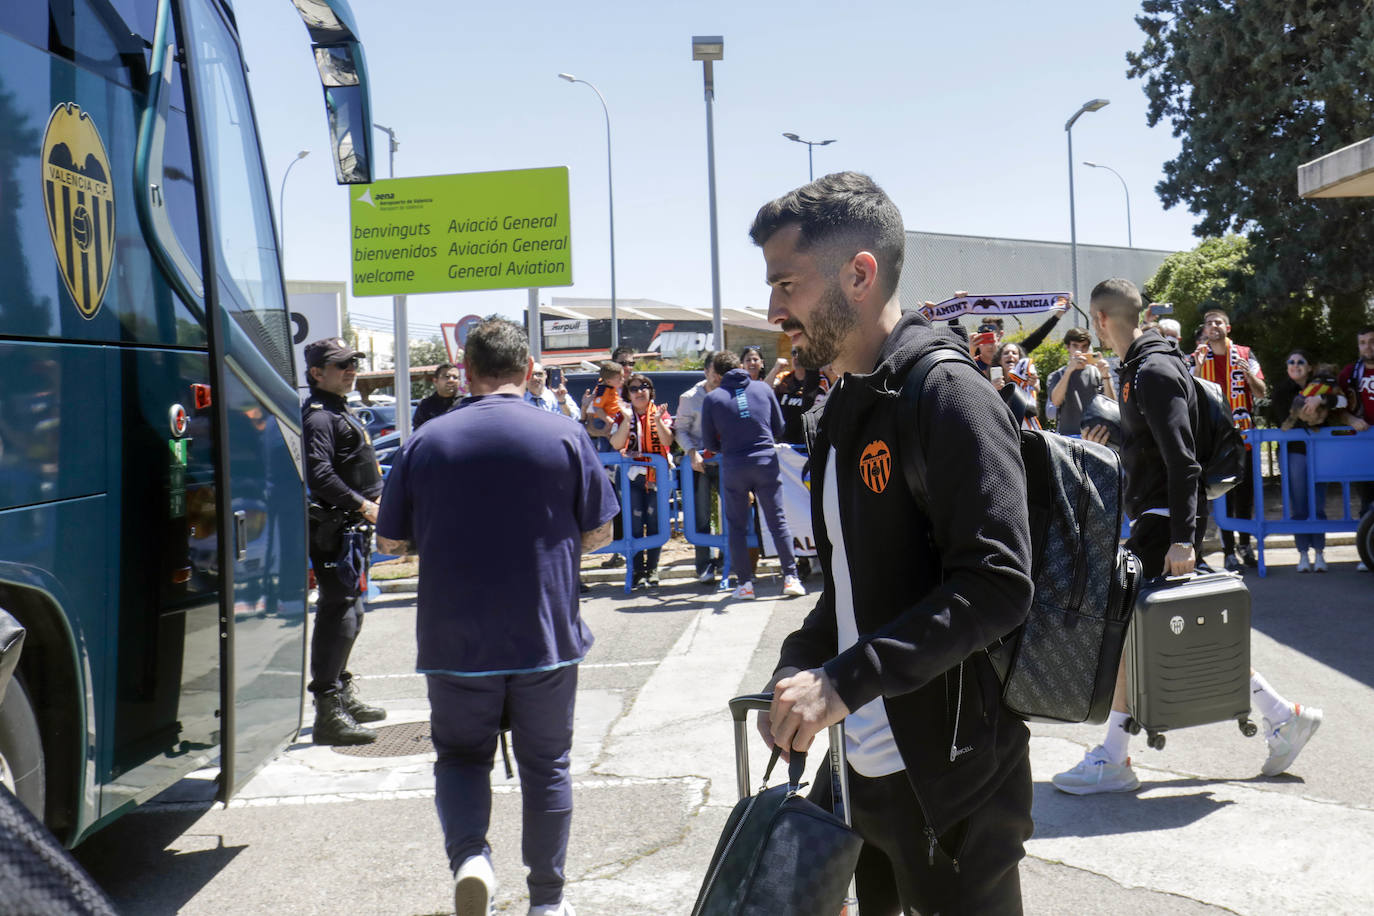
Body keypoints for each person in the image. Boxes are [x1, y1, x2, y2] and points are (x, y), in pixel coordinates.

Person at [750, 172, 1034, 914]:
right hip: (861, 785)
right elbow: (852, 591)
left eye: (788, 284)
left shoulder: (947, 395)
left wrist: (844, 682)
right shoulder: (842, 411)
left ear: (860, 274)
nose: (774, 309)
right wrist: (800, 669)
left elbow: (998, 584)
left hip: (956, 792)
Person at [376, 318, 617, 916]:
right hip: (545, 634)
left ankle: (472, 860)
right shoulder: (564, 435)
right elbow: (600, 534)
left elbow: (390, 545)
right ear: (529, 370)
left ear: (465, 372)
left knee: (460, 758)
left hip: (454, 637)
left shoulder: (424, 441)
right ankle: (546, 901)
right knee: (548, 766)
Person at [1053, 279, 1321, 795]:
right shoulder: (1141, 367)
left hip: (1162, 521)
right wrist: (1112, 435)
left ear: (1102, 319)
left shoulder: (1153, 370)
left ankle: (1114, 755)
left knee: (1128, 630)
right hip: (1157, 516)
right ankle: (1282, 716)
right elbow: (1155, 447)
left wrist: (1183, 538)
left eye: (1094, 324)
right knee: (1168, 629)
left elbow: (1183, 459)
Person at [301, 337, 388, 746]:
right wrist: (364, 505)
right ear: (317, 373)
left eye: (354, 363)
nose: (351, 369)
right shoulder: (318, 417)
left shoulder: (338, 408)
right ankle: (327, 712)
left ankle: (340, 691)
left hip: (350, 529)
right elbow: (319, 476)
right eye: (342, 365)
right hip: (334, 529)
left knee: (352, 611)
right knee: (339, 613)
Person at [701, 350, 806, 601]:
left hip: (734, 464)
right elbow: (779, 427)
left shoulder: (713, 398)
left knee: (737, 526)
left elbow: (708, 442)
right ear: (740, 365)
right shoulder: (762, 389)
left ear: (716, 373)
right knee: (777, 520)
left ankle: (745, 584)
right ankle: (790, 577)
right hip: (765, 460)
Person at [1270, 350, 1368, 572]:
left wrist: (1321, 399)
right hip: (1295, 452)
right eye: (1291, 362)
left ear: (1310, 367)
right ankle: (1303, 554)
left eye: (1300, 362)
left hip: (1320, 452)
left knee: (1318, 503)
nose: (1295, 365)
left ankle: (1321, 553)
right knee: (1300, 504)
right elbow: (1286, 422)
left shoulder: (1323, 385)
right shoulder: (1282, 390)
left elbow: (1341, 402)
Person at [1192, 308, 1267, 572]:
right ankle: (1227, 550)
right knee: (1220, 495)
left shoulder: (1245, 354)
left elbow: (1261, 391)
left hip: (1243, 436)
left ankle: (1245, 545)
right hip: (1213, 439)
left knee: (1244, 495)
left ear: (1228, 327)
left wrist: (1248, 376)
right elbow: (1189, 393)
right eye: (1209, 322)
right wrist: (1198, 366)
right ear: (1204, 329)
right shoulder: (1198, 356)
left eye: (1218, 322)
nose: (1213, 325)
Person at [608, 373, 674, 588]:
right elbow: (617, 444)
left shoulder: (660, 413)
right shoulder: (622, 415)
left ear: (650, 391)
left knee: (655, 522)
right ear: (628, 393)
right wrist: (627, 419)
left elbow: (668, 441)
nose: (639, 391)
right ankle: (637, 570)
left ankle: (652, 569)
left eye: (644, 386)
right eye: (634, 388)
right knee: (633, 523)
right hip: (630, 477)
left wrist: (656, 422)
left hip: (657, 477)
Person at [676, 354, 724, 582]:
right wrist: (692, 452)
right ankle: (704, 566)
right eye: (713, 371)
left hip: (727, 461)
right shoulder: (690, 397)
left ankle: (727, 561)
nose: (717, 376)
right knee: (701, 515)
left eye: (720, 371)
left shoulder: (731, 393)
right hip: (699, 464)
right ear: (705, 371)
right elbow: (681, 430)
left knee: (731, 514)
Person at [1338, 325, 1374, 547]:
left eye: (1371, 341)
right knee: (1367, 500)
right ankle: (1368, 550)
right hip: (1362, 445)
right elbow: (1335, 408)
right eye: (1362, 342)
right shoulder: (1350, 373)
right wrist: (1351, 420)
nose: (1367, 347)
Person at [1045, 327, 1115, 435]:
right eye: (1075, 346)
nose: (1080, 351)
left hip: (1096, 435)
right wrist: (1069, 371)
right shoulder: (1057, 375)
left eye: (1084, 346)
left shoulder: (1097, 372)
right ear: (1067, 347)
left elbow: (1112, 403)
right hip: (1069, 436)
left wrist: (1106, 376)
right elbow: (1055, 401)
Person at [773, 346, 830, 445]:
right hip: (783, 445)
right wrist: (775, 369)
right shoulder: (783, 379)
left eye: (801, 354)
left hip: (805, 444)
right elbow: (763, 392)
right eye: (794, 353)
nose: (797, 357)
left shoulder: (820, 382)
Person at [992, 341, 1041, 429]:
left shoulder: (1027, 379)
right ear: (999, 360)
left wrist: (1034, 385)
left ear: (1020, 359)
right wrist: (992, 389)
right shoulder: (991, 383)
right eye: (1006, 353)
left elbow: (1032, 410)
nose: (1010, 355)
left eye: (1014, 353)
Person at [413, 363, 462, 430]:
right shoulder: (425, 406)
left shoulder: (466, 404)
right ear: (435, 381)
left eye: (455, 377)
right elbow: (418, 434)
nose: (451, 380)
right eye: (447, 376)